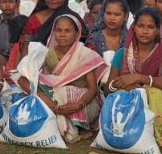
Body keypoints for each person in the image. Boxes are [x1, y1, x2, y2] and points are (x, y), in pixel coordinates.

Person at [21, 14, 105, 143]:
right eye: (59, 30)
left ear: (77, 33)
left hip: (84, 102)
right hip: (54, 99)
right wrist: (41, 96)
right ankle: (65, 126)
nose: (62, 34)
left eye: (67, 31)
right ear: (53, 32)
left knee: (66, 91)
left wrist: (78, 104)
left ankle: (76, 126)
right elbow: (23, 78)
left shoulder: (84, 54)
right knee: (31, 90)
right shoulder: (46, 53)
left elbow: (93, 89)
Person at [106, 8, 162, 148]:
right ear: (134, 28)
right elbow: (108, 88)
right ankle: (124, 133)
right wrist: (125, 85)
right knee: (122, 94)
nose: (145, 31)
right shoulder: (123, 53)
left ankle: (158, 136)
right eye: (140, 26)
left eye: (150, 27)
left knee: (155, 92)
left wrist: (139, 77)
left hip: (155, 104)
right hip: (129, 106)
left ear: (157, 30)